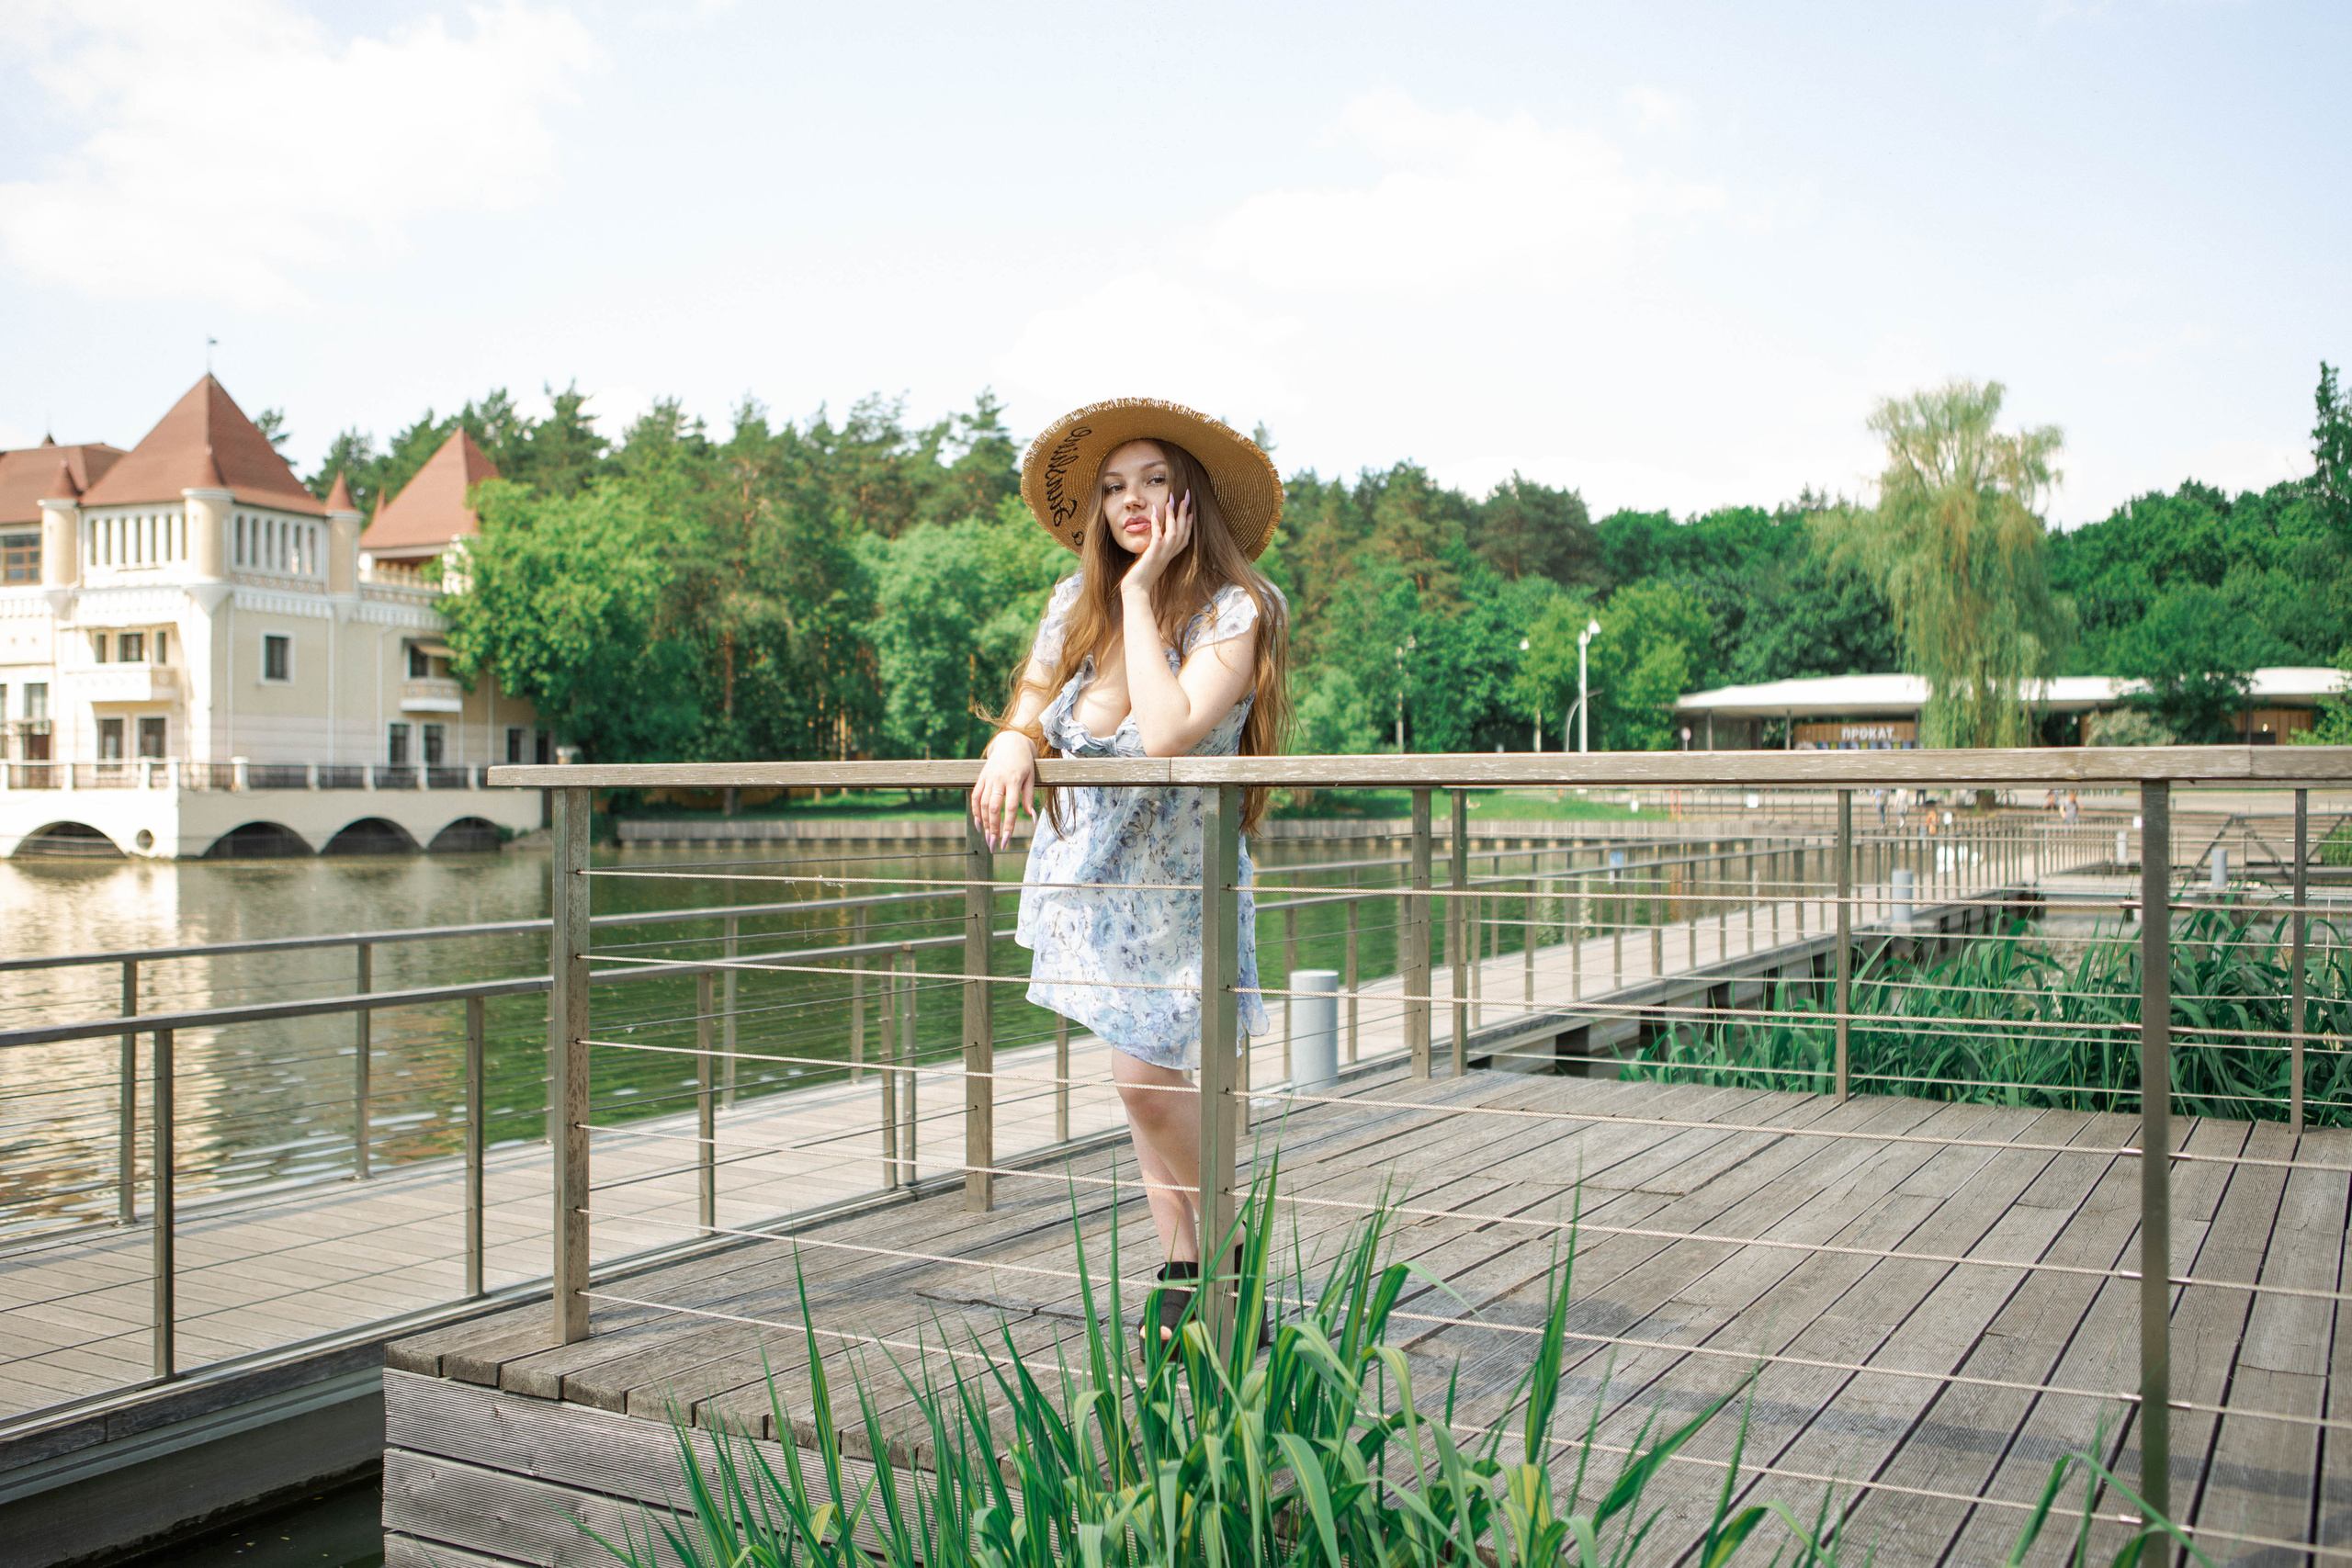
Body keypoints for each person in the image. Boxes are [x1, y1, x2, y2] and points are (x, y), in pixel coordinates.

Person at [968, 398, 1290, 1358]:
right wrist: (1011, 739)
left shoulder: (1237, 609)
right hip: (1093, 888)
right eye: (1114, 488)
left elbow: (1168, 731)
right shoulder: (1077, 601)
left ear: (1192, 497)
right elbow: (1035, 696)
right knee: (1141, 1090)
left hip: (1181, 887)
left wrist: (1145, 595)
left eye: (1154, 481)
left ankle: (1230, 1257)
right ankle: (1189, 1276)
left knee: (1148, 1084)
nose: (1131, 502)